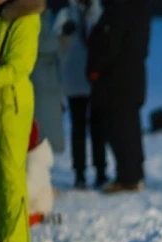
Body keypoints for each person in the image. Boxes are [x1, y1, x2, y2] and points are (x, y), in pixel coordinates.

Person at [86, 0, 150, 194]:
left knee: (119, 130)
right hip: (133, 78)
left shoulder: (119, 10)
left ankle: (127, 177)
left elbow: (109, 43)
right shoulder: (139, 9)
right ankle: (134, 174)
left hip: (116, 82)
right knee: (130, 129)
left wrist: (95, 67)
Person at [0, 0, 43, 242]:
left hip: (12, 102)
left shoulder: (26, 17)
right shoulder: (0, 18)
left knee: (9, 171)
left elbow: (18, 66)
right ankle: (3, 233)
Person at [54, 0, 106, 189]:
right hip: (74, 80)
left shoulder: (99, 13)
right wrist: (64, 36)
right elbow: (55, 46)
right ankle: (80, 173)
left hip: (95, 81)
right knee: (78, 129)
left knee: (98, 128)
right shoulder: (66, 15)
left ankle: (101, 170)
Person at [31, 5, 64, 154]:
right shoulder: (34, 19)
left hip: (48, 83)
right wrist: (59, 41)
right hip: (39, 81)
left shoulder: (49, 17)